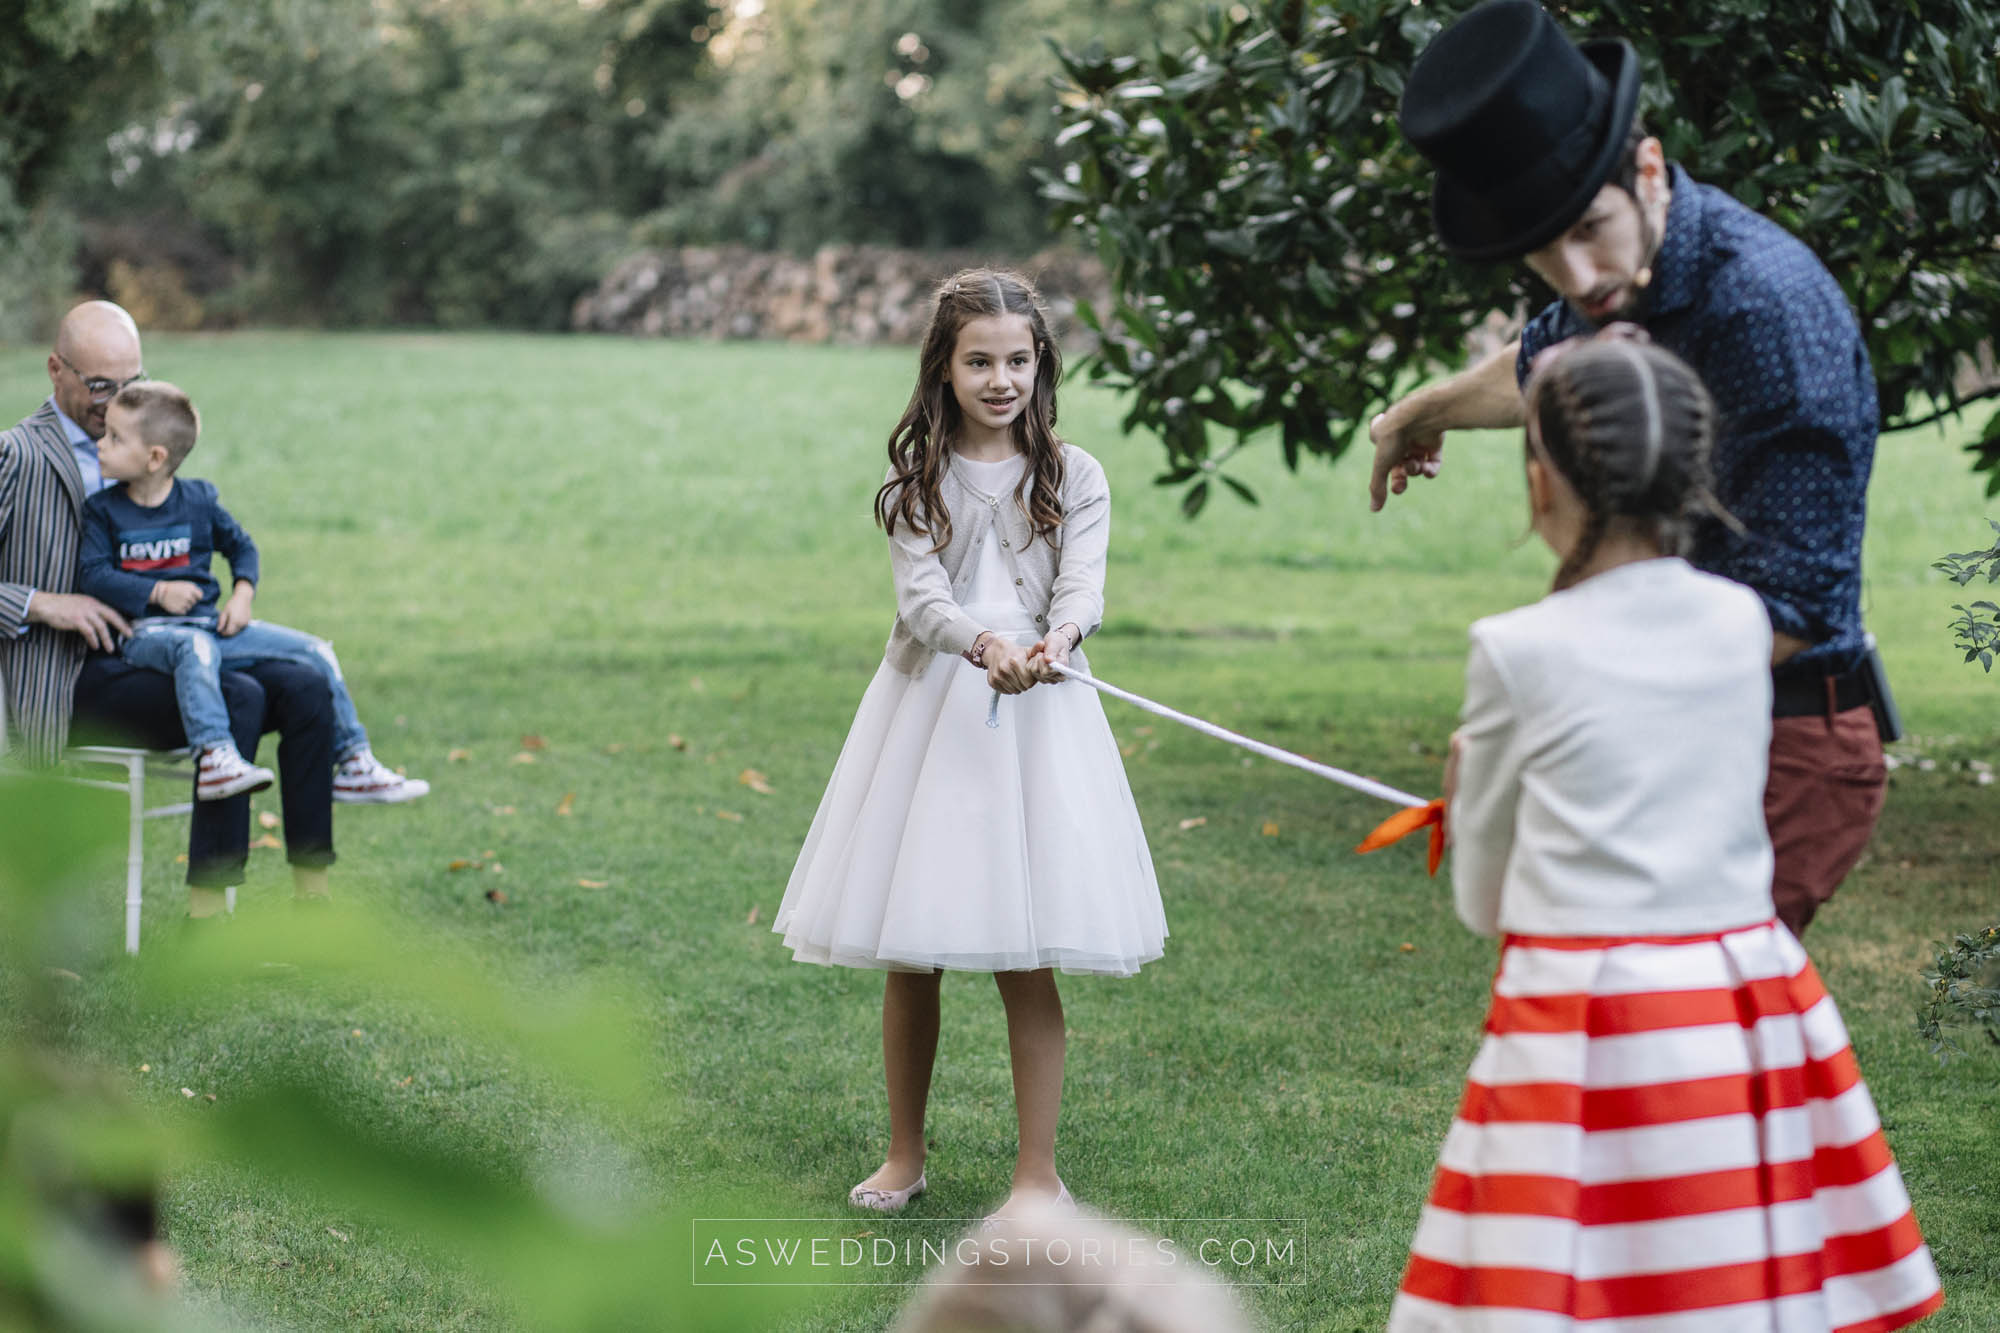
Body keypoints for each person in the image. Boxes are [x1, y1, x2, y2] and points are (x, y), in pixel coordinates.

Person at [1387, 332, 1942, 1332]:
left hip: (1582, 1019)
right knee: (1723, 1271)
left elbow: (1482, 902)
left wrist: (1467, 792)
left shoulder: (1512, 650)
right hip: (1742, 1003)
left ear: (1538, 477)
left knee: (1573, 1281)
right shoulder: (1740, 620)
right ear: (1692, 477)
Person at [1369, 0, 1886, 937]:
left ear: (1647, 170)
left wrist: (1578, 692)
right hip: (1663, 712)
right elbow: (1544, 356)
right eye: (1544, 250)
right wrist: (1420, 413)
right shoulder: (1614, 269)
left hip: (1785, 733)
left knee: (1684, 1020)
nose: (1575, 274)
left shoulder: (1768, 315)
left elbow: (1796, 607)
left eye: (1589, 230)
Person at [772, 269, 1165, 1220]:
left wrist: (1053, 643)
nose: (1001, 379)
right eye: (979, 360)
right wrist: (984, 643)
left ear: (1042, 364)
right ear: (943, 370)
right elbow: (924, 602)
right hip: (932, 712)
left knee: (1025, 950)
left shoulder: (1076, 476)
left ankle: (1038, 1174)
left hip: (1043, 714)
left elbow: (1082, 587)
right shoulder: (916, 484)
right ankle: (904, 1154)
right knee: (917, 946)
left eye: (1018, 360)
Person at [1, 300, 337, 916]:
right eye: (100, 385)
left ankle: (312, 899)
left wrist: (233, 591)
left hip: (165, 646)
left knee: (306, 684)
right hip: (72, 677)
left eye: (130, 381)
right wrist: (44, 603)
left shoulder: (140, 438)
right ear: (55, 371)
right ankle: (206, 915)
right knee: (242, 696)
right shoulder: (18, 456)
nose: (115, 400)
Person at [77, 380, 427, 806]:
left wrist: (243, 593)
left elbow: (241, 546)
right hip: (145, 636)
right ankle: (214, 757)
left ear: (156, 458)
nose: (101, 444)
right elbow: (93, 576)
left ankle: (355, 762)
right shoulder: (101, 510)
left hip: (208, 626)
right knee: (195, 648)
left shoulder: (199, 501)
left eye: (116, 438)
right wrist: (158, 591)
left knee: (315, 651)